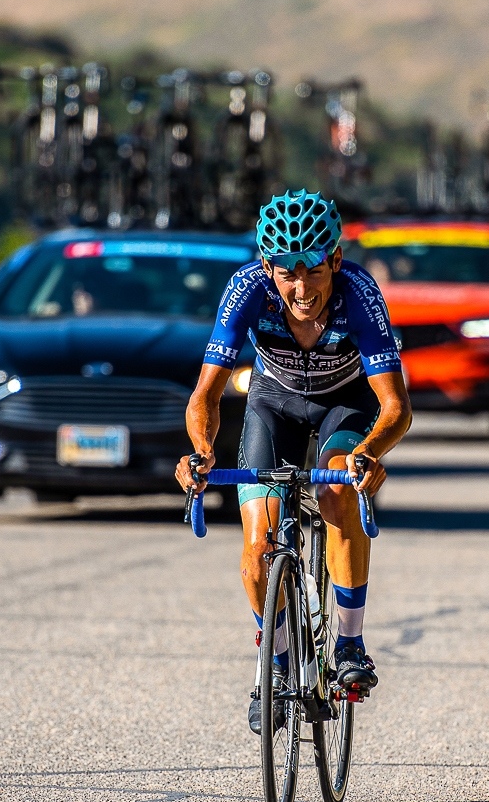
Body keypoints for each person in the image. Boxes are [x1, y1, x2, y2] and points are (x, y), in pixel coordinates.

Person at [176, 190, 412, 734]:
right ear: (267, 266)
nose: (301, 289)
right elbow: (204, 397)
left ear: (334, 258)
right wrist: (202, 452)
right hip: (272, 403)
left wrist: (370, 454)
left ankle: (349, 643)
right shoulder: (245, 292)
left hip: (345, 403)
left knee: (335, 493)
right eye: (287, 273)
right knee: (258, 550)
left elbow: (396, 406)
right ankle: (276, 666)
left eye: (312, 270)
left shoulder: (359, 293)